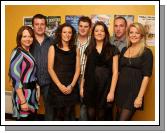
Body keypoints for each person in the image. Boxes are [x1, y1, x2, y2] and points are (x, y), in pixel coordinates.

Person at [81, 21, 119, 120]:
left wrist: (112, 91)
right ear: (93, 33)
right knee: (91, 114)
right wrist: (81, 87)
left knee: (102, 115)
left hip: (106, 87)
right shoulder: (89, 49)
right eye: (96, 31)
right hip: (90, 86)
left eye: (102, 31)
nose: (99, 33)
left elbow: (115, 72)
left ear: (106, 33)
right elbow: (86, 70)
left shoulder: (113, 49)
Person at [115, 22, 153, 121]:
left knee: (122, 122)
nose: (133, 35)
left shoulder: (146, 52)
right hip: (120, 91)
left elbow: (146, 76)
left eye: (137, 33)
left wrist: (140, 97)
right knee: (117, 119)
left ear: (142, 36)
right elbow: (118, 72)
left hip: (134, 92)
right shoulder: (124, 49)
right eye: (131, 32)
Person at [47, 23, 80, 120]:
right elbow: (50, 68)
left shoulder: (75, 49)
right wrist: (60, 86)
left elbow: (78, 69)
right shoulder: (53, 48)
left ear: (72, 34)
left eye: (69, 32)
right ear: (60, 34)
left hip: (71, 87)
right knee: (57, 116)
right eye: (64, 32)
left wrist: (71, 86)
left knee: (68, 114)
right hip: (57, 87)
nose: (67, 34)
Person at [9, 26, 39, 121]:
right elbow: (15, 79)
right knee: (24, 122)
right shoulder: (17, 52)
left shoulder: (27, 52)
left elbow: (30, 73)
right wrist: (22, 101)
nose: (28, 39)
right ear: (19, 38)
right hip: (23, 94)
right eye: (24, 36)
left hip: (31, 92)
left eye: (30, 36)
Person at [30, 14, 53, 120]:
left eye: (42, 24)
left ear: (46, 26)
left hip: (49, 82)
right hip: (32, 82)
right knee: (31, 110)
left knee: (50, 109)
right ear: (33, 26)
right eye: (37, 24)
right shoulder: (28, 41)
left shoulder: (52, 41)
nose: (39, 27)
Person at [75, 16, 92, 121]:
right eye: (81, 26)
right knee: (70, 103)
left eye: (86, 26)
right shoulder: (71, 39)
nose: (83, 28)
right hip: (72, 76)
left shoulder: (93, 41)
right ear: (78, 26)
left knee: (84, 103)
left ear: (90, 28)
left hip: (86, 77)